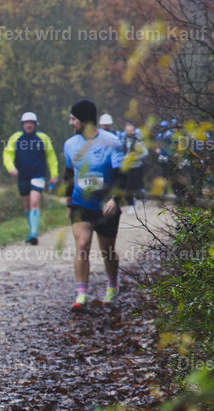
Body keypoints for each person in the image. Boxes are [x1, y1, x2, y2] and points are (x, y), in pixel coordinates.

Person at [63, 100, 126, 311]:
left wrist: (114, 199)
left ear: (84, 120)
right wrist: (68, 202)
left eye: (73, 119)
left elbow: (121, 175)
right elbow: (68, 175)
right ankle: (81, 296)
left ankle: (113, 285)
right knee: (82, 246)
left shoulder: (112, 142)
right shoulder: (70, 145)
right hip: (81, 204)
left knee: (107, 251)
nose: (70, 123)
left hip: (106, 206)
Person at [3, 112, 58, 245]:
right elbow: (7, 154)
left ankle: (34, 234)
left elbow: (51, 157)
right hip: (22, 176)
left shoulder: (43, 138)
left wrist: (54, 174)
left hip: (38, 175)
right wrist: (11, 168)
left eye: (31, 123)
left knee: (34, 202)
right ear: (23, 124)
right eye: (26, 123)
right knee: (27, 205)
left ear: (35, 125)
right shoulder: (16, 137)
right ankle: (31, 231)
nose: (28, 125)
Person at [120, 121, 149, 214]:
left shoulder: (138, 140)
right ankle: (130, 205)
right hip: (127, 167)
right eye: (127, 130)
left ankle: (140, 200)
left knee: (138, 185)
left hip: (137, 166)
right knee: (128, 186)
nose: (129, 132)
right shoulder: (123, 140)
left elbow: (145, 153)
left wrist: (134, 158)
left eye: (131, 130)